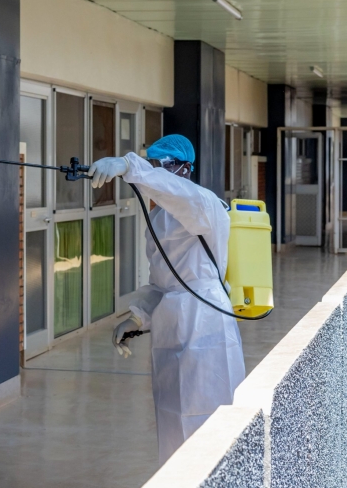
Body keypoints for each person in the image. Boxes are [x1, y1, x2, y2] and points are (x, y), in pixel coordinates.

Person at [89, 134, 246, 464]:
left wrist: (129, 166)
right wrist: (135, 318)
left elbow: (179, 194)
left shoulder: (206, 206)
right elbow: (161, 284)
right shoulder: (158, 221)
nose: (158, 176)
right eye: (154, 165)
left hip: (205, 321)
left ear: (185, 170)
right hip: (170, 325)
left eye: (164, 167)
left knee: (210, 418)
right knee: (173, 417)